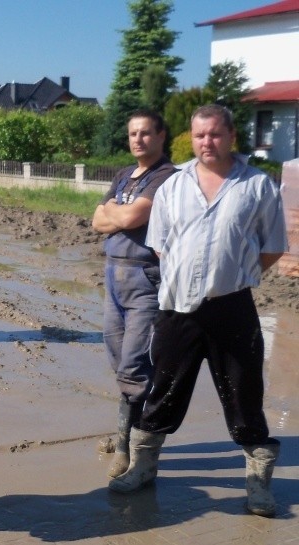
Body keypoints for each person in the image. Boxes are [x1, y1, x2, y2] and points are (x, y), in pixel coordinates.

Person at [108, 104, 288, 519]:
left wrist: (234, 274)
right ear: (191, 138)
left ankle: (258, 484)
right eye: (200, 135)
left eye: (216, 134)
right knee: (163, 392)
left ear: (232, 137)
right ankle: (143, 467)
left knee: (245, 397)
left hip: (232, 310)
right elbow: (160, 244)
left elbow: (273, 245)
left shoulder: (257, 185)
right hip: (178, 310)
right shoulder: (174, 186)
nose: (207, 142)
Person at [92, 110, 175, 478]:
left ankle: (130, 446)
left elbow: (126, 220)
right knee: (117, 357)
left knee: (134, 363)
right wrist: (116, 211)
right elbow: (97, 221)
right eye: (132, 134)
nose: (137, 139)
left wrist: (115, 211)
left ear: (161, 136)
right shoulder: (125, 175)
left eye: (144, 133)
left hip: (145, 278)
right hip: (113, 276)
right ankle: (127, 431)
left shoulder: (166, 178)